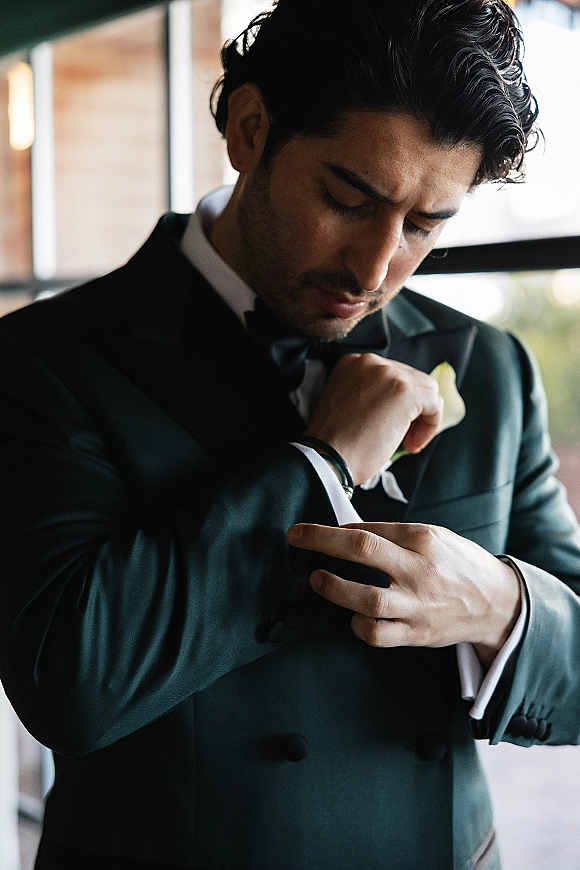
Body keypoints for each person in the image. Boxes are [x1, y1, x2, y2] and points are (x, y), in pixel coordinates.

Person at [0, 0, 579, 867]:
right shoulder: (45, 361)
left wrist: (498, 605)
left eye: (426, 226)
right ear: (249, 127)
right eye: (349, 198)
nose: (376, 268)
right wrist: (323, 462)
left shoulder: (489, 368)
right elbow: (73, 681)